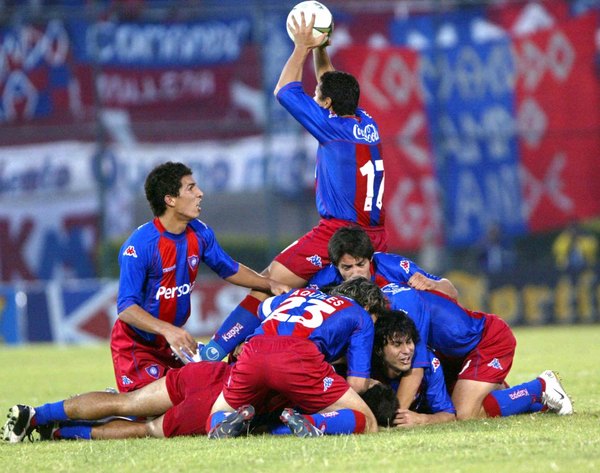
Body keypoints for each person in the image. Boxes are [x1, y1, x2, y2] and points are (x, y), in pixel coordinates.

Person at [199, 11, 387, 362]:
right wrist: (321, 49)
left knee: (268, 279)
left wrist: (301, 47)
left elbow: (284, 89)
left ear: (327, 104)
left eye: (319, 95)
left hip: (341, 232)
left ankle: (215, 353)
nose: (315, 97)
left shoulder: (332, 128)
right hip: (375, 231)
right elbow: (331, 82)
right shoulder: (365, 122)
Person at [112, 161, 290, 392]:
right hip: (137, 345)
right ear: (170, 199)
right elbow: (126, 307)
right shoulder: (140, 246)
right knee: (145, 412)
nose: (200, 193)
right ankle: (91, 414)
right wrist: (168, 329)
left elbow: (229, 268)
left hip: (174, 344)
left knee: (208, 394)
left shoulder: (200, 232)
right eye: (191, 188)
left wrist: (269, 284)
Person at [206, 277, 388, 438]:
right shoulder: (361, 314)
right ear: (368, 307)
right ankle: (297, 425)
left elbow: (263, 308)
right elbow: (357, 383)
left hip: (254, 349)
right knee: (368, 421)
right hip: (299, 356)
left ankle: (227, 423)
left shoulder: (300, 293)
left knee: (218, 413)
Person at [307, 225, 458, 410]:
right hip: (373, 349)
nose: (355, 273)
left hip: (420, 337)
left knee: (459, 399)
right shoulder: (322, 282)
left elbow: (451, 291)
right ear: (336, 266)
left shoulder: (393, 267)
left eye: (360, 264)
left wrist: (432, 283)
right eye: (347, 267)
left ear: (370, 259)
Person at [367, 310, 573, 427]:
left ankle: (539, 387)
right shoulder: (367, 372)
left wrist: (422, 419)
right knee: (483, 407)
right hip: (460, 372)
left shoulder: (428, 365)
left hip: (477, 354)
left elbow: (449, 415)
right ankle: (540, 403)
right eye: (396, 345)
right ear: (378, 350)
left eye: (409, 342)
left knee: (465, 413)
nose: (407, 351)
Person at [2, 361, 231, 442]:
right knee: (148, 428)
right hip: (222, 398)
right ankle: (59, 432)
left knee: (127, 402)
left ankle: (37, 415)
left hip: (213, 373)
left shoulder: (266, 309)